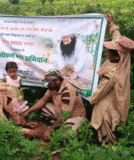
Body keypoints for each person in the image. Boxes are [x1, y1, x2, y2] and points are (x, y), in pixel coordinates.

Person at [89, 13, 134, 146]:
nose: (107, 52)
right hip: (116, 97)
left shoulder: (113, 72)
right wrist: (111, 24)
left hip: (108, 102)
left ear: (116, 55)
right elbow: (118, 39)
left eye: (109, 51)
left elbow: (102, 90)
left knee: (102, 119)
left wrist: (92, 99)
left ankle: (107, 147)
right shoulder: (124, 58)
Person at [20, 69, 86, 141]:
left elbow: (64, 115)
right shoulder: (53, 87)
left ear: (57, 80)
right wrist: (27, 112)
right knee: (44, 107)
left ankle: (68, 126)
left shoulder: (68, 91)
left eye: (49, 83)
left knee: (66, 134)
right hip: (60, 112)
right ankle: (58, 125)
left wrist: (50, 130)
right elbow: (43, 100)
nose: (47, 85)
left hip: (74, 116)